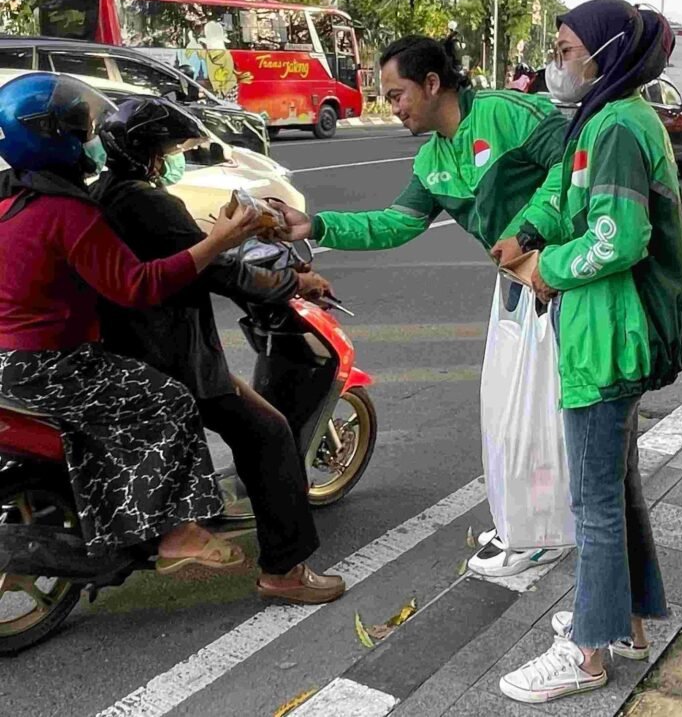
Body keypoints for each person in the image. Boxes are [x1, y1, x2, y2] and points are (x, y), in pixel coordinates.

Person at [267, 34, 570, 578]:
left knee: (549, 416)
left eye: (397, 93)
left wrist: (530, 232)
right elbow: (396, 223)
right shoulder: (433, 158)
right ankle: (530, 522)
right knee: (509, 414)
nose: (393, 106)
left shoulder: (508, 114)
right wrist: (315, 224)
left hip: (564, 285)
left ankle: (547, 532)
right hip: (517, 290)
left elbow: (574, 162)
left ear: (432, 84)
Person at [496, 0, 682, 704]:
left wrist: (543, 268)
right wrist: (522, 233)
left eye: (567, 46)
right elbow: (560, 193)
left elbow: (619, 237)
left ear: (604, 55)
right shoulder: (607, 117)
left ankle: (586, 651)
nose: (557, 58)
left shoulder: (615, 126)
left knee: (595, 501)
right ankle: (622, 618)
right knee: (615, 486)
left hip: (608, 338)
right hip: (606, 333)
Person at [0, 72, 260, 570]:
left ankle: (115, 517)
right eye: (81, 133)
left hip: (10, 363)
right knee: (171, 403)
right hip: (53, 364)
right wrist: (216, 244)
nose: (91, 143)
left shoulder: (11, 200)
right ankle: (176, 533)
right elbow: (137, 286)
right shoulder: (68, 214)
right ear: (56, 141)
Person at [91, 97, 345, 604]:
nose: (172, 157)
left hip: (122, 347)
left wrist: (224, 234)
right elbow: (217, 271)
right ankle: (284, 570)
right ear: (148, 153)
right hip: (168, 354)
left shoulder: (107, 194)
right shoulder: (147, 201)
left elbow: (189, 251)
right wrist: (293, 280)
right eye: (168, 148)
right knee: (268, 434)